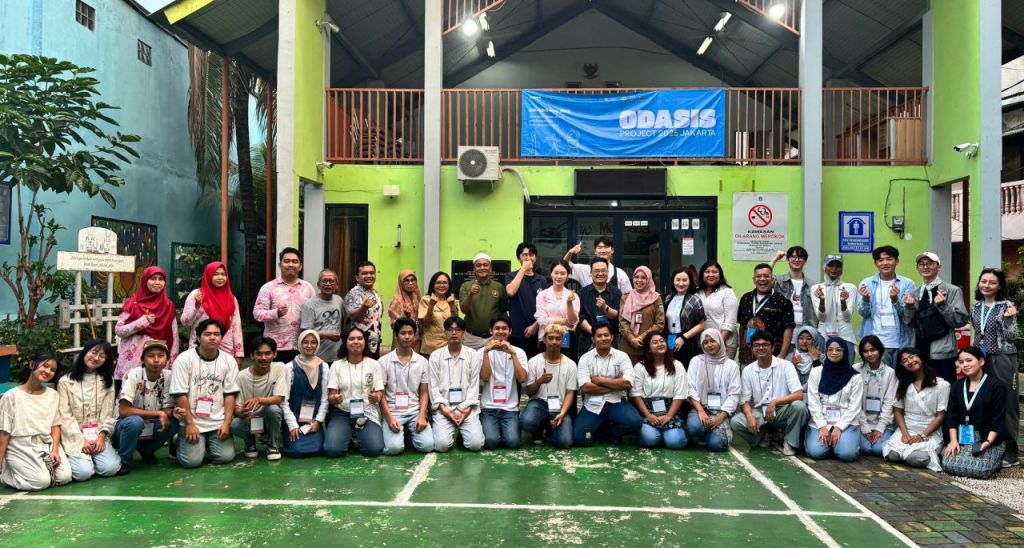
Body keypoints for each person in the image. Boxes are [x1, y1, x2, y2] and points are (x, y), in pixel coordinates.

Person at [169, 319, 240, 468]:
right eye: (207, 334)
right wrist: (189, 424)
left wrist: (226, 424)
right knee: (191, 462)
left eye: (216, 334)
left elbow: (230, 394)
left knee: (225, 457)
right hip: (192, 420)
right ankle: (177, 440)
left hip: (217, 421)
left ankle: (207, 442)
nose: (212, 337)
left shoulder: (229, 360)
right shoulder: (184, 359)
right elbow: (180, 394)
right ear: (198, 337)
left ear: (221, 337)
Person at [0, 351, 73, 491]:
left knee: (65, 477)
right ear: (32, 364)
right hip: (20, 445)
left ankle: (38, 469)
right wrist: (0, 459)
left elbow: (55, 425)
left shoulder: (53, 395)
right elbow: (4, 431)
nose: (48, 371)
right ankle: (7, 474)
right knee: (41, 482)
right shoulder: (11, 396)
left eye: (53, 369)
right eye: (45, 366)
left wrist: (55, 450)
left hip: (46, 442)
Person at [970, 267, 1020, 467]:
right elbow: (977, 334)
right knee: (984, 401)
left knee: (1007, 403)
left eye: (992, 282)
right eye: (984, 281)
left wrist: (1009, 319)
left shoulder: (1006, 306)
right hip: (981, 359)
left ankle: (1011, 452)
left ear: (999, 286)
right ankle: (990, 445)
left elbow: (1012, 336)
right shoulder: (976, 307)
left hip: (1002, 358)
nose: (987, 285)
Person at [730, 331, 807, 456]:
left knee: (799, 407)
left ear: (773, 347)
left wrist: (775, 402)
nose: (761, 348)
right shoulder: (748, 370)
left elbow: (798, 394)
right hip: (760, 412)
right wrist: (749, 417)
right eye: (757, 345)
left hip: (782, 411)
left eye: (765, 345)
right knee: (735, 422)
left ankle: (790, 442)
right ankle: (763, 436)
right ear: (752, 348)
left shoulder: (786, 365)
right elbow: (744, 401)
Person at [57, 340, 121, 481]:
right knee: (83, 473)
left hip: (98, 434)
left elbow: (108, 412)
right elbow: (65, 415)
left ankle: (93, 459)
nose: (96, 357)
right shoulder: (65, 381)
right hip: (74, 435)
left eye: (102, 356)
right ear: (85, 352)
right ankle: (85, 461)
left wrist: (102, 436)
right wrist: (81, 440)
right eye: (94, 352)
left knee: (110, 468)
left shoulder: (107, 381)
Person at [903, 252, 968, 385]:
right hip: (919, 352)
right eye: (921, 264)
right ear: (917, 269)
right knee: (923, 388)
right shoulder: (915, 293)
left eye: (930, 263)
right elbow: (909, 323)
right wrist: (909, 308)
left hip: (942, 351)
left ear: (939, 267)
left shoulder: (952, 290)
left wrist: (943, 306)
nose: (925, 267)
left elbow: (960, 321)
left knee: (945, 387)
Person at [942, 347, 1007, 479]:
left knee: (979, 469)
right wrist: (953, 441)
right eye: (961, 362)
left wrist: (988, 442)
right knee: (948, 463)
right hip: (963, 437)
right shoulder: (957, 386)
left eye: (969, 360)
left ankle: (996, 458)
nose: (965, 365)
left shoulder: (996, 386)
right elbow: (952, 416)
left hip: (987, 437)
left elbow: (998, 418)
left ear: (981, 361)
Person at [114, 340, 178, 474]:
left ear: (167, 359)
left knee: (175, 422)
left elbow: (166, 409)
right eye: (151, 356)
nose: (156, 360)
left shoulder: (169, 376)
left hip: (150, 425)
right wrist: (159, 414)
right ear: (142, 359)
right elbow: (124, 411)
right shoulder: (134, 374)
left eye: (161, 355)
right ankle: (124, 460)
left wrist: (173, 412)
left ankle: (146, 450)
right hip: (124, 427)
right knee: (135, 422)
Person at [573, 324, 643, 446]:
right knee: (579, 438)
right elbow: (585, 387)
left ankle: (613, 432)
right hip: (592, 404)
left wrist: (600, 381)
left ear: (612, 337)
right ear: (593, 339)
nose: (603, 338)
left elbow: (627, 383)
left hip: (617, 402)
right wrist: (616, 383)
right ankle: (603, 429)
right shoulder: (585, 358)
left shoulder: (622, 356)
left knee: (635, 422)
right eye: (599, 336)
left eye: (606, 335)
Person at [881, 348, 949, 472]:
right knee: (892, 455)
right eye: (905, 361)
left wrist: (923, 435)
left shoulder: (941, 385)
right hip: (907, 429)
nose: (910, 361)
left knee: (915, 458)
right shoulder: (903, 384)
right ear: (902, 365)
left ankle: (931, 454)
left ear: (920, 357)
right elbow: (897, 410)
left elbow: (941, 415)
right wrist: (905, 433)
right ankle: (907, 451)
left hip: (929, 432)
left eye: (912, 357)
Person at [324, 326, 386, 457]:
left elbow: (380, 392)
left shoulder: (374, 364)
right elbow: (331, 395)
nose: (356, 341)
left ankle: (356, 435)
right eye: (351, 339)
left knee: (374, 450)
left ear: (365, 342)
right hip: (342, 412)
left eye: (359, 338)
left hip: (366, 412)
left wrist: (376, 397)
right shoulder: (336, 365)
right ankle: (350, 434)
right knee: (332, 450)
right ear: (345, 343)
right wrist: (334, 398)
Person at [428, 317, 485, 452]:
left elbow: (474, 386)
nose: (454, 333)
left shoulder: (473, 355)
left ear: (463, 333)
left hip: (467, 409)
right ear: (445, 333)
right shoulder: (435, 356)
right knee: (441, 446)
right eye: (450, 330)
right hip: (444, 409)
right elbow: (433, 387)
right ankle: (451, 429)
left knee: (475, 445)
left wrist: (465, 411)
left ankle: (462, 436)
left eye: (458, 330)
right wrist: (445, 410)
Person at [379, 318, 435, 455]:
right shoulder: (383, 362)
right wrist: (389, 418)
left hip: (414, 412)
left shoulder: (422, 362)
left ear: (415, 336)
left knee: (427, 446)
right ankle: (400, 434)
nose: (407, 336)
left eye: (410, 333)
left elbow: (424, 392)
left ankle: (408, 434)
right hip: (393, 412)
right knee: (394, 448)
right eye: (403, 333)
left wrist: (422, 416)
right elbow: (381, 394)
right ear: (396, 335)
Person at [114, 266, 179, 380]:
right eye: (153, 278)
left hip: (157, 362)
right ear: (145, 280)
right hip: (132, 363)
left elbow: (174, 336)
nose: (157, 282)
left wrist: (172, 364)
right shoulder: (133, 303)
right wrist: (142, 322)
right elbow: (119, 330)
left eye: (161, 279)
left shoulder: (168, 305)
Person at [804, 337, 863, 462]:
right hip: (821, 420)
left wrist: (839, 427)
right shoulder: (816, 372)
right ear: (826, 352)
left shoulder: (855, 377)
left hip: (846, 422)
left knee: (847, 454)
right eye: (830, 349)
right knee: (816, 452)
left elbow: (855, 407)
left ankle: (841, 443)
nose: (834, 353)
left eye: (838, 350)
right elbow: (813, 402)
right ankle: (830, 443)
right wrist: (822, 426)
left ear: (845, 352)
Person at [254, 247, 317, 363]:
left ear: (300, 266)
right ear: (280, 265)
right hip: (275, 348)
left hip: (302, 346)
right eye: (287, 261)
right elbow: (257, 314)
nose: (291, 264)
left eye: (295, 261)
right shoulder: (268, 287)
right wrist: (275, 313)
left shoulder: (308, 288)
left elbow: (315, 313)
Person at [856, 246, 916, 368]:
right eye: (880, 260)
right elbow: (863, 313)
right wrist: (866, 299)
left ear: (897, 261)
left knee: (901, 377)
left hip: (901, 341)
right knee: (879, 377)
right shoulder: (866, 283)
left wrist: (895, 300)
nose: (885, 263)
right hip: (876, 343)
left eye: (889, 259)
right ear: (876, 263)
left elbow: (907, 315)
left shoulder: (908, 283)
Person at [521, 325, 578, 450]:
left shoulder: (571, 364)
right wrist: (539, 382)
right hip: (538, 403)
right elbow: (528, 391)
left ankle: (549, 430)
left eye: (558, 339)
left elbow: (570, 393)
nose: (554, 342)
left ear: (563, 341)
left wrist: (562, 414)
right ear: (544, 340)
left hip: (559, 406)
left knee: (565, 443)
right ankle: (540, 427)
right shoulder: (534, 362)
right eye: (551, 338)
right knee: (526, 421)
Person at [232, 337, 288, 461]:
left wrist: (258, 400)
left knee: (273, 409)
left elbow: (279, 398)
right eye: (259, 354)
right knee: (235, 424)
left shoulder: (280, 368)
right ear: (252, 355)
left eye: (268, 353)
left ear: (275, 354)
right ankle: (250, 442)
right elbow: (237, 408)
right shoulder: (241, 376)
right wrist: (242, 412)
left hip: (269, 418)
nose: (263, 358)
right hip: (250, 420)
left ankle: (272, 446)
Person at [630, 333, 689, 449]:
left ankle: (668, 435)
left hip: (671, 412)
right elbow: (635, 394)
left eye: (662, 341)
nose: (660, 344)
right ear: (648, 348)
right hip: (648, 412)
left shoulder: (677, 365)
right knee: (649, 440)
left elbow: (680, 394)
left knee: (675, 442)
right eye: (655, 342)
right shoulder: (640, 367)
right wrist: (648, 415)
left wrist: (669, 416)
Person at [686, 329, 741, 452]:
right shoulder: (696, 361)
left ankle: (710, 433)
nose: (709, 345)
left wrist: (720, 418)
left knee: (717, 445)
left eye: (713, 341)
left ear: (720, 341)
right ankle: (704, 430)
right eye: (705, 342)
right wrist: (701, 411)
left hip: (722, 411)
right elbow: (690, 388)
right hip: (701, 408)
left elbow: (734, 394)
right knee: (693, 428)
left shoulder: (731, 365)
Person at [180, 261, 244, 366]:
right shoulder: (197, 294)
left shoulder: (232, 299)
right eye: (216, 274)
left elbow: (236, 327)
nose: (220, 277)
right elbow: (185, 322)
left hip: (226, 349)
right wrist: (196, 307)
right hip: (199, 348)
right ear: (208, 275)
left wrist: (239, 354)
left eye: (223, 274)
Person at [479, 316, 528, 450]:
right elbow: (485, 377)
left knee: (513, 443)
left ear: (510, 331)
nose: (501, 331)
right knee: (491, 442)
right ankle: (490, 428)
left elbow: (522, 378)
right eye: (497, 328)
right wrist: (486, 353)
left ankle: (502, 429)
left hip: (510, 408)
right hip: (489, 407)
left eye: (504, 328)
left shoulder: (519, 352)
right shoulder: (482, 352)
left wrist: (512, 353)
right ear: (491, 331)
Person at [281, 330, 330, 458]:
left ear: (318, 345)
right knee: (296, 451)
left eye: (313, 342)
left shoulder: (324, 367)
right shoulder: (289, 367)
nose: (309, 346)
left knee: (318, 449)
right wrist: (292, 425)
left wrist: (318, 421)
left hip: (312, 422)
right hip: (294, 420)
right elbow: (283, 401)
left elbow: (325, 398)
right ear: (299, 344)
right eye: (305, 342)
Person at [736, 264, 795, 365]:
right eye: (759, 276)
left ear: (772, 279)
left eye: (766, 276)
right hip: (748, 356)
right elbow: (742, 326)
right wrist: (741, 349)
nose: (762, 279)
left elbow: (788, 329)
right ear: (754, 280)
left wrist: (781, 355)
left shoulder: (783, 301)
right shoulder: (745, 298)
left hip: (772, 357)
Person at [853, 336, 897, 457]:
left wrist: (880, 428)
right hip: (860, 421)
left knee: (879, 450)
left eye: (873, 350)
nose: (869, 354)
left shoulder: (890, 373)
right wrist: (865, 428)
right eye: (865, 351)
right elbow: (854, 401)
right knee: (865, 449)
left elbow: (889, 402)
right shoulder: (856, 369)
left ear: (880, 350)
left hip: (882, 423)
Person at [505, 243, 548, 358]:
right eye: (525, 255)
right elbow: (510, 292)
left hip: (537, 332)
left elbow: (546, 307)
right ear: (518, 258)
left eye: (531, 255)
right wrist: (523, 269)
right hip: (516, 332)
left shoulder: (542, 280)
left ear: (535, 258)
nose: (528, 258)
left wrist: (535, 325)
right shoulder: (511, 276)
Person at [459, 253, 509, 350]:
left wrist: (503, 335)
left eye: (485, 265)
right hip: (471, 338)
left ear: (490, 268)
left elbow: (503, 312)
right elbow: (464, 310)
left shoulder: (499, 287)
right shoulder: (466, 286)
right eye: (478, 265)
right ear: (474, 269)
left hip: (493, 338)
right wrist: (471, 294)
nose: (482, 268)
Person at [618, 266, 665, 364]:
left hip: (649, 347)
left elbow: (660, 324)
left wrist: (641, 337)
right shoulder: (626, 297)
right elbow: (622, 322)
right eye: (636, 277)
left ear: (649, 279)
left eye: (643, 277)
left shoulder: (656, 298)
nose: (639, 280)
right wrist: (631, 338)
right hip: (628, 348)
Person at [534, 260, 580, 361]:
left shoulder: (573, 296)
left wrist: (569, 303)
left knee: (568, 367)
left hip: (567, 338)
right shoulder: (542, 295)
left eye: (563, 273)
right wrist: (564, 321)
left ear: (567, 276)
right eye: (556, 273)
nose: (559, 276)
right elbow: (541, 320)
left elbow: (573, 322)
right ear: (551, 274)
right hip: (547, 337)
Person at [812, 254, 857, 353]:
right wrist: (822, 300)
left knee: (847, 363)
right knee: (823, 363)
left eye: (838, 266)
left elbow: (847, 317)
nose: (834, 269)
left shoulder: (850, 287)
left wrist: (843, 302)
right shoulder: (816, 288)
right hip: (823, 335)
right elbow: (821, 318)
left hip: (845, 335)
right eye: (830, 265)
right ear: (825, 267)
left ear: (842, 269)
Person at [578, 258, 622, 353]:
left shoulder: (616, 292)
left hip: (610, 339)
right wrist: (594, 332)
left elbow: (617, 314)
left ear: (608, 272)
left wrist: (605, 307)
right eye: (597, 271)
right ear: (591, 273)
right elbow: (580, 317)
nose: (600, 273)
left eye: (603, 270)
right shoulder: (582, 293)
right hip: (587, 340)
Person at [300, 269, 344, 364]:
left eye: (331, 281)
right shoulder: (310, 304)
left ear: (337, 285)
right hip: (317, 357)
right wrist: (327, 336)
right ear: (318, 284)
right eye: (324, 281)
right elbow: (306, 333)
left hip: (337, 357)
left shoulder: (339, 300)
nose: (328, 284)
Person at [664, 267, 706, 366]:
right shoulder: (668, 298)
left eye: (684, 280)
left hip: (687, 341)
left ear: (690, 281)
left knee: (686, 369)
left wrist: (683, 338)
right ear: (673, 281)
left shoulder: (695, 300)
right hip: (670, 339)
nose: (681, 283)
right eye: (678, 280)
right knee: (671, 368)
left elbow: (701, 325)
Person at [698, 261, 739, 359]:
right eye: (707, 272)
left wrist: (718, 342)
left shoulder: (727, 292)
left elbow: (730, 321)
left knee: (723, 369)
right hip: (703, 343)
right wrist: (707, 343)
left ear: (720, 275)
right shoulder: (697, 292)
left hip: (725, 342)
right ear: (702, 274)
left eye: (714, 272)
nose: (711, 274)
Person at [344, 261, 384, 360]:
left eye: (371, 273)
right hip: (359, 343)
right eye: (364, 273)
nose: (369, 276)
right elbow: (352, 316)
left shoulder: (374, 292)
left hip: (374, 341)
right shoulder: (354, 294)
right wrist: (363, 307)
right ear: (357, 278)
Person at [564, 237, 632, 295]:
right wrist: (570, 252)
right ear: (595, 251)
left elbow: (628, 297)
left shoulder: (620, 274)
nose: (603, 251)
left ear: (612, 250)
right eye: (599, 247)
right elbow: (565, 266)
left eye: (606, 247)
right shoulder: (585, 270)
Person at [769, 246, 818, 328]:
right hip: (783, 327)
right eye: (793, 257)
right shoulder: (779, 280)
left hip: (805, 328)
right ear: (787, 260)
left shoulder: (812, 285)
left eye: (800, 257)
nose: (796, 260)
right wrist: (775, 259)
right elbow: (763, 277)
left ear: (805, 261)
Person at [419, 272, 460, 356]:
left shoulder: (452, 300)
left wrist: (452, 306)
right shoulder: (426, 299)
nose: (442, 285)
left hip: (449, 345)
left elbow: (455, 323)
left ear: (449, 285)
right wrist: (431, 305)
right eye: (438, 283)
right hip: (431, 347)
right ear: (433, 285)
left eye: (445, 283)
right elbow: (426, 324)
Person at [788, 325, 824, 396]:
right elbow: (786, 380)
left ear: (815, 340)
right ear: (797, 340)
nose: (804, 341)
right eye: (801, 338)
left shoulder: (822, 357)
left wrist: (816, 360)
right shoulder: (790, 356)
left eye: (809, 339)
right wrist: (792, 365)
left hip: (814, 394)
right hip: (794, 395)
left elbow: (820, 379)